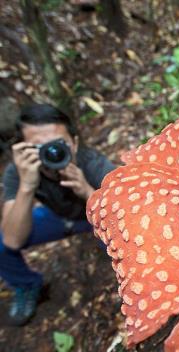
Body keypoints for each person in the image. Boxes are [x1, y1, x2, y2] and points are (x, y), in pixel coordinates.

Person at [0, 103, 116, 325]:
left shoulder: (92, 162)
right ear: (23, 149)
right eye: (38, 148)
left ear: (74, 142)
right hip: (57, 217)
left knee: (115, 239)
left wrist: (86, 191)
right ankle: (27, 285)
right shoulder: (19, 171)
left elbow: (126, 217)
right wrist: (26, 186)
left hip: (89, 216)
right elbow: (12, 240)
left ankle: (128, 278)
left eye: (58, 145)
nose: (51, 153)